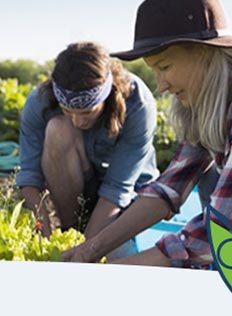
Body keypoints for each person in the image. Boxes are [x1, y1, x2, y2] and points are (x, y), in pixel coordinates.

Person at [62, 0, 232, 267]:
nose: (160, 86)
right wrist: (88, 251)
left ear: (204, 53)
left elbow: (221, 230)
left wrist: (110, 274)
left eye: (164, 67)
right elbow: (170, 187)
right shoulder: (207, 94)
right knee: (213, 177)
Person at [16, 41, 159, 259]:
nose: (77, 122)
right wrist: (45, 238)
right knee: (58, 129)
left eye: (88, 112)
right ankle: (71, 226)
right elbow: (29, 178)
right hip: (79, 189)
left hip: (127, 197)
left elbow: (117, 188)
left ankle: (83, 237)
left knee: (121, 258)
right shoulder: (38, 101)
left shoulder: (138, 104)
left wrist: (85, 250)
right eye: (68, 111)